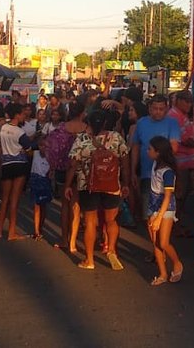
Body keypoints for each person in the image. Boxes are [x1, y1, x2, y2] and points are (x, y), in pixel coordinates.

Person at [67, 108, 129, 270]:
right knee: (111, 220)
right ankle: (112, 249)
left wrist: (68, 185)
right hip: (111, 185)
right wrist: (126, 183)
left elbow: (73, 163)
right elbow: (125, 160)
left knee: (90, 223)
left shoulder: (81, 139)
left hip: (88, 186)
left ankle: (89, 260)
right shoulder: (116, 138)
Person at [130, 95, 181, 221]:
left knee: (165, 210)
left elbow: (174, 148)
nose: (158, 112)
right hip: (146, 173)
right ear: (149, 108)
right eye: (155, 108)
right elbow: (135, 147)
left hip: (165, 173)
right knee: (148, 212)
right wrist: (133, 170)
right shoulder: (142, 122)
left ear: (167, 108)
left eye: (161, 109)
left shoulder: (172, 123)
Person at [0, 103, 37, 240]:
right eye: (22, 114)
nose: (23, 116)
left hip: (6, 163)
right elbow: (29, 150)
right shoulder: (20, 133)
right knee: (14, 200)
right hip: (19, 164)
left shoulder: (3, 128)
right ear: (17, 115)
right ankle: (12, 232)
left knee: (5, 199)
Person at [146, 136, 183, 286]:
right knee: (156, 243)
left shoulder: (167, 172)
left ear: (158, 152)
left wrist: (158, 217)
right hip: (153, 205)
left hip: (165, 208)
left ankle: (177, 263)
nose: (147, 151)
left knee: (163, 242)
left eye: (150, 149)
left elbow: (168, 196)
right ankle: (162, 273)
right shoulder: (156, 164)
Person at [52, 102, 88, 252]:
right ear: (82, 112)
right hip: (81, 170)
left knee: (65, 206)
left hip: (63, 169)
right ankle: (73, 241)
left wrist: (54, 167)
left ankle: (64, 239)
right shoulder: (87, 129)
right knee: (76, 206)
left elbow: (53, 150)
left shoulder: (61, 128)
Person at [169, 90, 194, 237]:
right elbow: (184, 140)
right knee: (179, 194)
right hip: (179, 163)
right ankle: (174, 225)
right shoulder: (174, 116)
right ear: (178, 100)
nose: (189, 104)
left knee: (184, 194)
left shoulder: (182, 115)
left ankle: (176, 222)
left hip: (187, 162)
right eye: (186, 101)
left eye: (190, 101)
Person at [30, 136, 54, 240]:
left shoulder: (51, 157)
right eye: (41, 145)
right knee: (36, 206)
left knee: (43, 206)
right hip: (35, 179)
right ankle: (36, 230)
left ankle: (41, 227)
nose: (43, 148)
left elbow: (52, 171)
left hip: (45, 181)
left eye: (46, 146)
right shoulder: (35, 154)